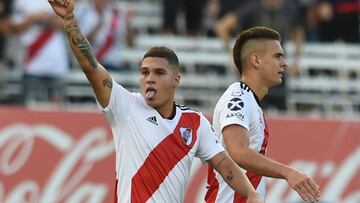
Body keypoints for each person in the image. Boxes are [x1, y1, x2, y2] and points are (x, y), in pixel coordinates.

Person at [47, 0, 264, 202]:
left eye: (159, 73)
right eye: (145, 72)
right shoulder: (125, 106)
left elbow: (224, 164)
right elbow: (90, 66)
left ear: (176, 80)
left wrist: (252, 195)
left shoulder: (195, 123)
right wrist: (69, 20)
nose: (150, 78)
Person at [205, 26, 321, 202]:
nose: (284, 63)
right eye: (277, 56)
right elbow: (239, 152)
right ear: (256, 61)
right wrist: (288, 172)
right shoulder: (238, 98)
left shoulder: (250, 101)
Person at [214, 0, 305, 111]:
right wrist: (235, 58)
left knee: (282, 113)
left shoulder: (288, 10)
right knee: (253, 111)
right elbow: (222, 27)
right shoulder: (251, 9)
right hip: (255, 70)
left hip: (277, 69)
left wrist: (296, 61)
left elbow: (298, 34)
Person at [10, 0, 69, 105]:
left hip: (57, 66)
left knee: (58, 113)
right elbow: (15, 27)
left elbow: (70, 24)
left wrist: (48, 18)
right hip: (32, 65)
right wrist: (34, 18)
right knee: (32, 112)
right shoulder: (21, 2)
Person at [74, 0, 133, 71]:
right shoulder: (85, 13)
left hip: (116, 63)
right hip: (95, 64)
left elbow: (130, 43)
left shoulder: (117, 14)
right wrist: (100, 23)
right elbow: (82, 43)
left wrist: (128, 23)